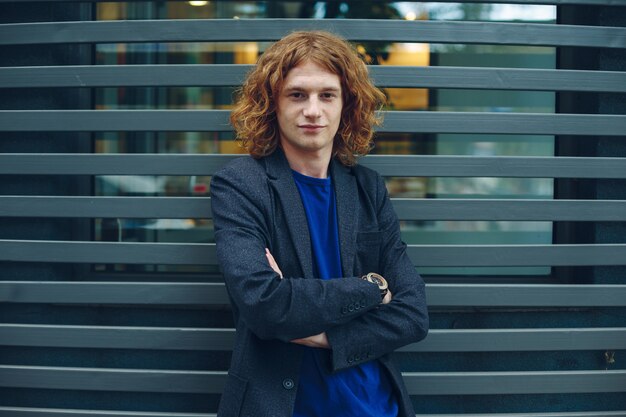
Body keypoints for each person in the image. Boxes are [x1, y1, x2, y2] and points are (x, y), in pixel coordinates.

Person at [210, 30, 428, 417]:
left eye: (327, 95)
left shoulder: (368, 188)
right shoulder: (241, 185)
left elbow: (413, 316)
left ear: (346, 105)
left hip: (377, 406)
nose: (313, 110)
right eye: (297, 94)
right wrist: (373, 288)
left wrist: (312, 328)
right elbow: (264, 306)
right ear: (271, 103)